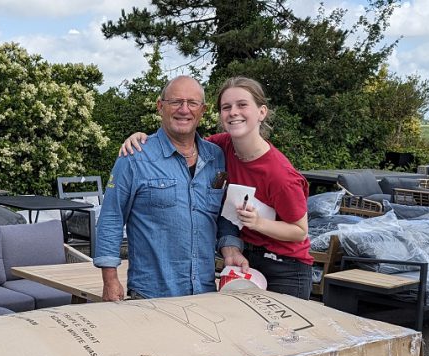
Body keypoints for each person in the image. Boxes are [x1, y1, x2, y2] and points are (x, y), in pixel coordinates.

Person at [120, 76, 313, 299]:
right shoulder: (219, 148)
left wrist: (258, 223)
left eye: (242, 105)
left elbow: (300, 231)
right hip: (246, 259)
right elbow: (180, 140)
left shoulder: (280, 174)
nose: (233, 112)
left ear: (261, 112)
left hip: (285, 268)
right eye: (226, 107)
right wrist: (144, 140)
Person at [94, 75, 247, 302]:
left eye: (192, 103)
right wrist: (110, 279)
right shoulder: (135, 157)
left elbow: (224, 216)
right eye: (176, 102)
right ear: (160, 106)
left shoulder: (216, 157)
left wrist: (231, 248)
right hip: (150, 295)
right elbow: (111, 218)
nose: (184, 110)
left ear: (202, 110)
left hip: (205, 294)